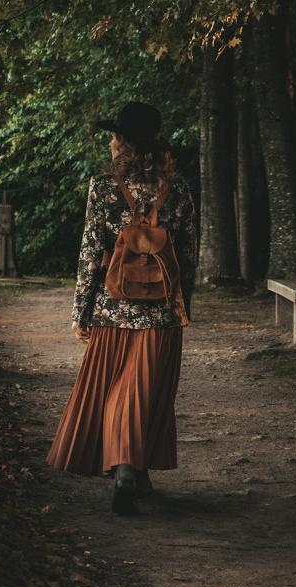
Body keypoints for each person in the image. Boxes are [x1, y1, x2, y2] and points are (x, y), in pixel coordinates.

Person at [46, 101, 196, 514]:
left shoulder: (104, 187)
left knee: (118, 391)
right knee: (145, 393)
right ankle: (135, 469)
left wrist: (80, 312)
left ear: (126, 144)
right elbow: (187, 255)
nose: (110, 142)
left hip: (113, 312)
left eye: (115, 136)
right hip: (161, 315)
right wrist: (184, 306)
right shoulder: (177, 188)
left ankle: (126, 469)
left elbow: (90, 253)